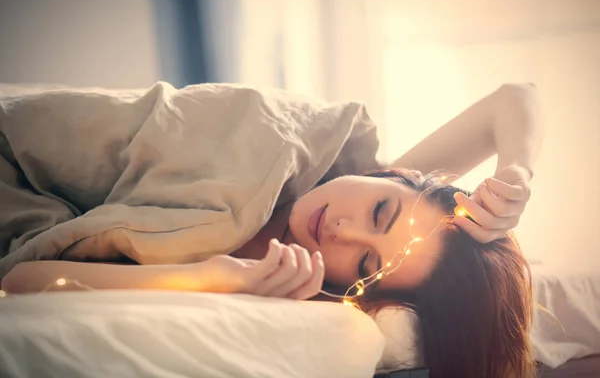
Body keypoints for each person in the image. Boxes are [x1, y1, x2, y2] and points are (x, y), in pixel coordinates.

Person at [1, 82, 542, 377]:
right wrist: (517, 171)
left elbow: (25, 282)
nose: (343, 231)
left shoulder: (284, 280)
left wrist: (212, 278)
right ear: (395, 176)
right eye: (381, 212)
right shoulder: (328, 161)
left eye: (365, 264)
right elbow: (512, 99)